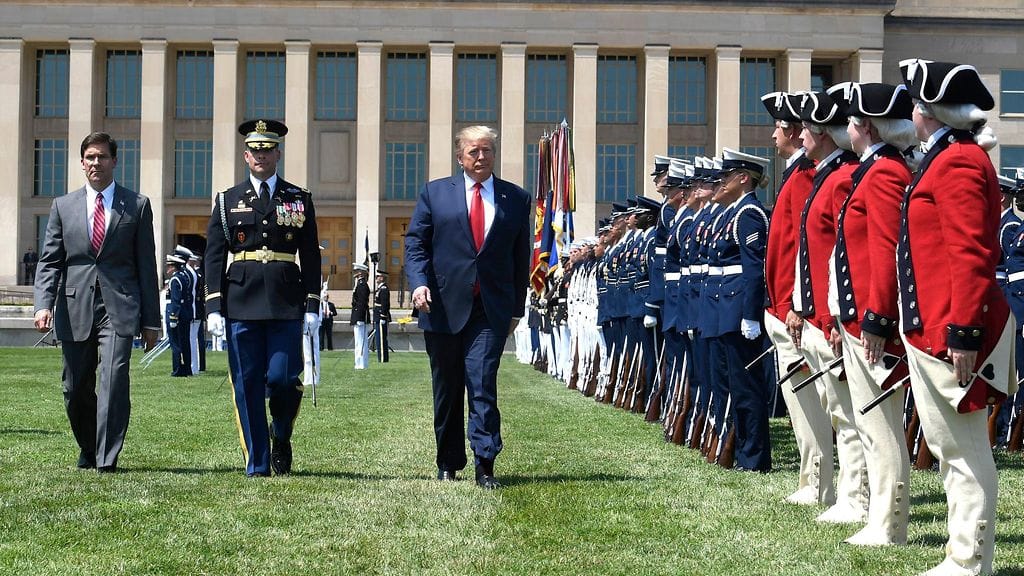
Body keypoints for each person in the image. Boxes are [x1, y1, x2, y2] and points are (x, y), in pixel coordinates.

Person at [897, 58, 1013, 576]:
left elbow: (970, 255)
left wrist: (964, 332)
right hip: (936, 326)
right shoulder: (947, 158)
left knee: (964, 450)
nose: (913, 113)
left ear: (932, 113)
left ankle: (972, 560)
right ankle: (961, 552)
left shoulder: (960, 162)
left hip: (956, 330)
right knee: (949, 447)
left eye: (918, 105)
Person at [405, 125, 531, 489]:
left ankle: (485, 462)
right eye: (474, 152)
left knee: (481, 383)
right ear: (460, 156)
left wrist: (516, 310)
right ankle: (448, 460)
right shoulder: (435, 194)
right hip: (441, 306)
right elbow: (416, 245)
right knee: (447, 388)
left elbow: (519, 258)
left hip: (489, 310)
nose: (481, 157)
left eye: (487, 151)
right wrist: (419, 284)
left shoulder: (515, 199)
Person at [32, 131, 161, 473]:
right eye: (90, 157)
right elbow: (50, 261)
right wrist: (42, 303)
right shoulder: (63, 206)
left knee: (114, 378)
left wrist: (152, 321)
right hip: (74, 307)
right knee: (75, 388)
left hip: (119, 306)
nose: (96, 163)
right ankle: (89, 446)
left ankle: (106, 458)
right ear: (81, 163)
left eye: (102, 156)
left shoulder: (136, 205)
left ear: (114, 161)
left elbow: (147, 266)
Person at [204, 119, 321, 477]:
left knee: (285, 377)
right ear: (246, 156)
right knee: (248, 383)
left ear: (278, 155)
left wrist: (313, 303)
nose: (261, 156)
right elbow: (213, 255)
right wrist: (213, 306)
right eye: (255, 150)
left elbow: (311, 255)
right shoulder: (227, 201)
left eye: (267, 150)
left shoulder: (298, 198)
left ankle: (281, 434)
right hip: (241, 301)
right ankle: (257, 462)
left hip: (286, 301)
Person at [833, 81, 918, 546]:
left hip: (871, 318)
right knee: (869, 423)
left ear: (866, 125)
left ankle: (889, 524)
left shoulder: (885, 173)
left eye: (851, 119)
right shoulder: (874, 171)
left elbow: (887, 253)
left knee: (882, 425)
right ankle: (878, 517)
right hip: (856, 314)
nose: (846, 127)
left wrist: (878, 319)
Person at [790, 87, 868, 524]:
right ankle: (851, 494)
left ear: (821, 133)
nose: (800, 137)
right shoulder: (827, 176)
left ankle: (856, 497)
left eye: (805, 129)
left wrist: (835, 316)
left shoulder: (840, 178)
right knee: (838, 409)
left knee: (847, 411)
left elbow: (844, 255)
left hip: (833, 315)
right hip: (820, 312)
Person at [759, 90, 834, 504]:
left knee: (813, 400)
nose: (774, 134)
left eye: (778, 126)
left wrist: (792, 303)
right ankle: (810, 478)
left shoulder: (807, 174)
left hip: (794, 306)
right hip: (782, 304)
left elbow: (803, 250)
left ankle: (819, 480)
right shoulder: (796, 173)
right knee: (799, 400)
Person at [165, 253, 193, 377]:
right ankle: (187, 368)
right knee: (185, 342)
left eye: (169, 266)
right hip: (185, 312)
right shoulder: (184, 277)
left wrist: (173, 317)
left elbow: (176, 300)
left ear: (173, 267)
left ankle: (178, 369)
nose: (167, 269)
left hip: (179, 314)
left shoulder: (175, 279)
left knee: (176, 343)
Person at [351, 263, 370, 369]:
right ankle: (359, 363)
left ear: (361, 273)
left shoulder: (362, 285)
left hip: (360, 316)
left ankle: (361, 363)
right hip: (358, 315)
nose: (354, 272)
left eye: (356, 271)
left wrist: (359, 317)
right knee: (359, 341)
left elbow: (362, 303)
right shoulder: (359, 284)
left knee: (361, 341)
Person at [374, 270, 391, 362]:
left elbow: (385, 304)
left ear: (382, 278)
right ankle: (381, 357)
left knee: (381, 339)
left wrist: (383, 316)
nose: (376, 278)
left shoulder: (384, 289)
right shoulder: (380, 288)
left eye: (378, 276)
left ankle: (383, 358)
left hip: (381, 316)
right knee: (379, 338)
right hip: (378, 316)